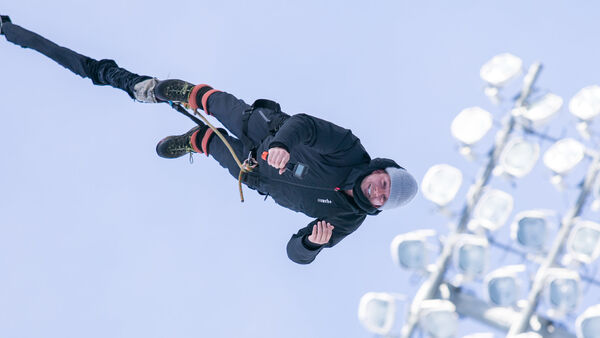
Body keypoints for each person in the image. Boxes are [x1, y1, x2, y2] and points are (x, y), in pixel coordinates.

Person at [1, 16, 418, 264]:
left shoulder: (346, 221)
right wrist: (284, 145)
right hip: (268, 130)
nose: (380, 191)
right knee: (221, 104)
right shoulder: (350, 150)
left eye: (385, 197)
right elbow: (307, 125)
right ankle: (180, 91)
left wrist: (312, 242)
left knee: (214, 144)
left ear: (380, 205)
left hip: (255, 174)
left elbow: (297, 255)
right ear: (381, 169)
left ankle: (196, 140)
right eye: (385, 181)